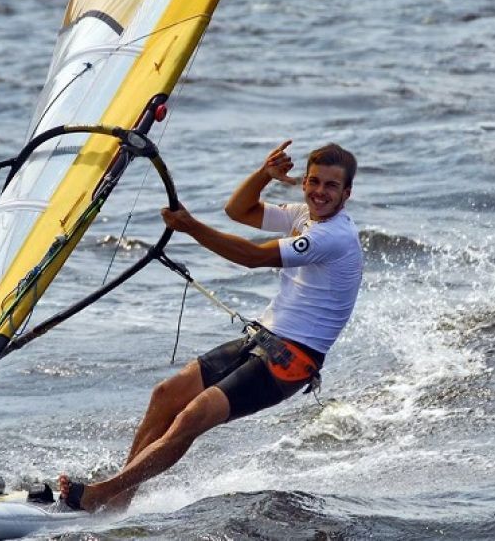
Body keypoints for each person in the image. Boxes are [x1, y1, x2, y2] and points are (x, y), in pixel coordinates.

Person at [59, 139, 363, 512]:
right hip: (263, 340)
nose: (320, 192)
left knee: (192, 416)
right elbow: (238, 210)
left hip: (291, 361)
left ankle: (102, 493)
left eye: (331, 186)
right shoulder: (303, 215)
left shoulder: (334, 236)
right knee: (166, 395)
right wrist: (263, 175)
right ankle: (119, 499)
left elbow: (252, 257)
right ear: (304, 183)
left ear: (346, 193)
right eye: (314, 182)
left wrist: (191, 226)